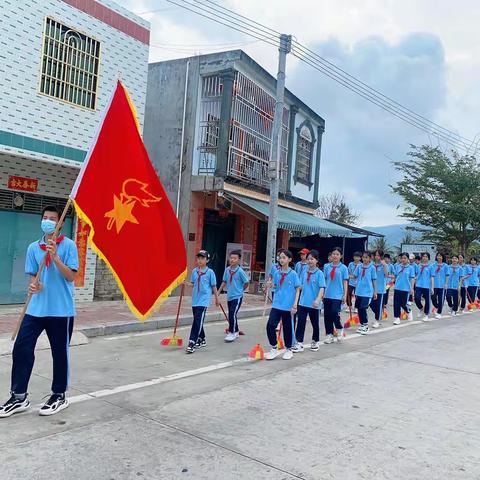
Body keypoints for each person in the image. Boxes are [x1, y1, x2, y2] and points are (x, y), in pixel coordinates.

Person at [0, 206, 79, 418]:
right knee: (21, 348)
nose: (48, 222)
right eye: (45, 218)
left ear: (60, 223)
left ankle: (59, 394)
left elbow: (71, 277)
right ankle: (18, 396)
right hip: (35, 309)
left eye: (53, 219)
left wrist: (55, 257)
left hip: (61, 311)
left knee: (59, 353)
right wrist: (34, 285)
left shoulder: (69, 245)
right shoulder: (33, 247)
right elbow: (33, 276)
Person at [264, 249, 301, 360]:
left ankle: (289, 349)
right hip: (277, 304)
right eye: (280, 257)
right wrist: (269, 285)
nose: (281, 259)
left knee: (288, 328)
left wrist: (295, 304)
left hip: (288, 306)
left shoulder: (293, 274)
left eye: (284, 257)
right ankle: (274, 347)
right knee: (270, 325)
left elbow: (298, 288)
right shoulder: (276, 272)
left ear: (289, 259)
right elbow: (275, 285)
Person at [185, 250, 219, 354]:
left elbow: (213, 286)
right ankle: (202, 339)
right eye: (198, 258)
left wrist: (217, 299)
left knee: (197, 321)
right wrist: (185, 283)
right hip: (195, 299)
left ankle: (192, 342)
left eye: (202, 258)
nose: (199, 260)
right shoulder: (195, 271)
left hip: (204, 301)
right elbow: (193, 283)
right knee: (198, 320)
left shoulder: (210, 272)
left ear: (207, 260)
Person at [292, 249, 325, 352]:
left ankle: (315, 341)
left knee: (315, 324)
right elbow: (300, 286)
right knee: (301, 322)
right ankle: (299, 342)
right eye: (308, 259)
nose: (310, 261)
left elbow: (322, 288)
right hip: (303, 302)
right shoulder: (304, 272)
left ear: (316, 260)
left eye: (312, 259)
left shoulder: (319, 273)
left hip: (314, 304)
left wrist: (318, 300)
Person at [219, 249, 249, 342]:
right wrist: (219, 291)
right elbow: (224, 281)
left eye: (234, 258)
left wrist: (241, 290)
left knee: (232, 314)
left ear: (238, 260)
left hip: (237, 296)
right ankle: (235, 330)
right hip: (229, 296)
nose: (232, 260)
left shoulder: (240, 271)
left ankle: (233, 332)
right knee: (232, 314)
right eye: (231, 258)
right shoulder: (227, 270)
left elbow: (246, 282)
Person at [323, 247, 349, 344]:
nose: (335, 256)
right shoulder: (327, 267)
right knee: (327, 315)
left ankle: (339, 328)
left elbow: (345, 282)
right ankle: (329, 334)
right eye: (333, 254)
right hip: (327, 294)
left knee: (334, 312)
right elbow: (324, 280)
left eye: (337, 254)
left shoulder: (343, 268)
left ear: (341, 256)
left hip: (338, 294)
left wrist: (344, 295)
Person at [353, 251, 377, 335]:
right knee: (359, 308)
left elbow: (374, 279)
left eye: (366, 257)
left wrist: (375, 292)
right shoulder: (359, 266)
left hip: (367, 292)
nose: (364, 259)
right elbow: (354, 276)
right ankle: (362, 324)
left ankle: (366, 325)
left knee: (363, 307)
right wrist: (346, 276)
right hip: (359, 291)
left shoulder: (372, 268)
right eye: (363, 257)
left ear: (370, 258)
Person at [392, 253, 415, 325]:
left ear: (408, 259)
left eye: (405, 258)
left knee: (403, 304)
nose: (403, 260)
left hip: (406, 288)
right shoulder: (398, 266)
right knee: (396, 304)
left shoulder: (411, 268)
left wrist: (411, 288)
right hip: (397, 287)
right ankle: (397, 318)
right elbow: (395, 276)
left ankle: (408, 311)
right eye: (402, 258)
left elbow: (412, 278)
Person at [371, 250, 389, 328]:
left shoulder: (384, 265)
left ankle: (377, 320)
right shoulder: (371, 264)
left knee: (378, 305)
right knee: (370, 304)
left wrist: (384, 265)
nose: (376, 257)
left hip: (380, 289)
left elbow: (386, 274)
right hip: (371, 289)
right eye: (375, 255)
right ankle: (379, 314)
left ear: (381, 256)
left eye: (378, 255)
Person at [414, 252, 434, 322]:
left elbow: (432, 277)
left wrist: (432, 287)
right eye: (423, 256)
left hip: (427, 285)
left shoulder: (431, 266)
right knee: (416, 298)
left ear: (428, 258)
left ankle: (426, 314)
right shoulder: (418, 266)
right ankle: (421, 308)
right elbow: (416, 275)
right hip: (419, 285)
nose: (424, 258)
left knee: (427, 300)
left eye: (426, 257)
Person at [431, 253, 449, 319]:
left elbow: (447, 275)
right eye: (438, 256)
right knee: (433, 298)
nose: (439, 257)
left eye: (440, 256)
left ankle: (439, 313)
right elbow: (431, 275)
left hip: (442, 286)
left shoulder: (446, 266)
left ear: (443, 257)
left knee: (441, 299)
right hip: (434, 285)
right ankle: (437, 306)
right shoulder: (433, 265)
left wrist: (446, 284)